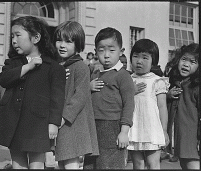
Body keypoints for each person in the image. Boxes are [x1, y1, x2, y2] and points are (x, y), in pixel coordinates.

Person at [0, 16, 66, 169]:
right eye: (12, 36)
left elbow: (57, 98)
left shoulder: (53, 67)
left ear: (36, 37)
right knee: (18, 165)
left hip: (38, 124)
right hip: (14, 122)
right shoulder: (14, 63)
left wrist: (54, 123)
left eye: (18, 35)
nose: (14, 40)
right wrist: (28, 67)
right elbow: (4, 79)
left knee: (36, 164)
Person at [83, 27, 135, 169]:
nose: (106, 55)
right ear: (95, 52)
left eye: (111, 50)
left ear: (121, 52)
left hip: (112, 127)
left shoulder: (123, 76)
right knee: (90, 165)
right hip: (93, 125)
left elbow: (129, 105)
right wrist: (88, 87)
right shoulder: (95, 74)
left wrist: (124, 132)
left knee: (110, 165)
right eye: (101, 50)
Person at [52, 21, 99, 169]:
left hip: (72, 122)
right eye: (59, 40)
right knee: (61, 161)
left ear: (78, 45)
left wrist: (63, 117)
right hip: (62, 121)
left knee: (70, 161)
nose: (62, 45)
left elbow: (80, 95)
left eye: (68, 41)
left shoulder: (80, 67)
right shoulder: (59, 66)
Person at [127, 39, 170, 169]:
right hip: (134, 129)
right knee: (137, 165)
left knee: (153, 164)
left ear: (153, 61)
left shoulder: (157, 81)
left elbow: (162, 107)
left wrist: (164, 131)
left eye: (145, 58)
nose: (139, 61)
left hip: (152, 130)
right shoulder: (128, 79)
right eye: (135, 57)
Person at [166, 43, 199, 169]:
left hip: (192, 138)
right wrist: (168, 96)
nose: (186, 64)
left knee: (192, 165)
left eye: (192, 62)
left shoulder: (196, 87)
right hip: (180, 136)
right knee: (184, 165)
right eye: (184, 59)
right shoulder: (175, 82)